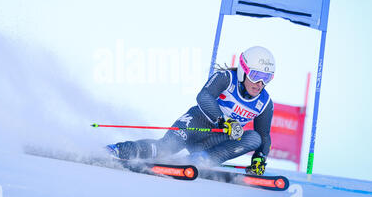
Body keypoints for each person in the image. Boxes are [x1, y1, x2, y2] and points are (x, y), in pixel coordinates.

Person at [107, 46, 275, 176]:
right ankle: (119, 149)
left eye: (266, 78)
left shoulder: (264, 103)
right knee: (164, 148)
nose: (260, 83)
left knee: (254, 138)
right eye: (255, 75)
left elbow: (264, 136)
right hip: (196, 124)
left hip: (214, 141)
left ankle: (199, 160)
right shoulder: (226, 78)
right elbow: (204, 96)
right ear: (243, 71)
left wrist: (260, 159)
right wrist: (224, 120)